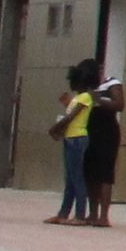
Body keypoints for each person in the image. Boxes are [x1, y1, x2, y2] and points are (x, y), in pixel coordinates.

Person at [48, 59, 99, 225]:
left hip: (77, 139)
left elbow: (71, 117)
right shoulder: (78, 98)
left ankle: (79, 215)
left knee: (77, 178)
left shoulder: (85, 97)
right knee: (69, 178)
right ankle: (63, 213)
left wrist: (55, 128)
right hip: (70, 138)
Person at [80, 76, 126, 226]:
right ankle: (92, 213)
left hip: (107, 132)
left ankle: (103, 216)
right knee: (91, 173)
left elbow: (119, 105)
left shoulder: (112, 83)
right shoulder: (87, 86)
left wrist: (99, 100)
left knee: (105, 174)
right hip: (90, 131)